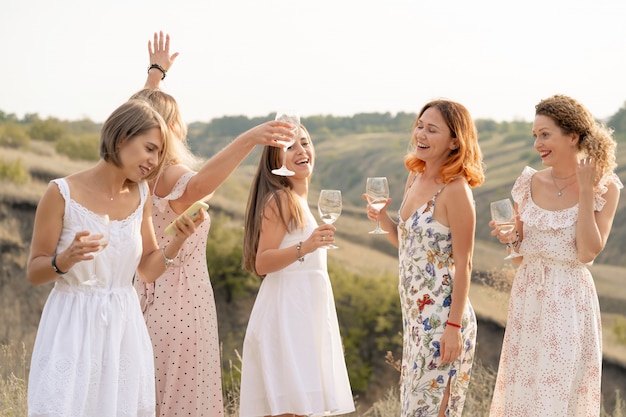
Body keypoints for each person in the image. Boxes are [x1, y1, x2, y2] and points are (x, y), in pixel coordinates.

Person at [131, 31, 293, 417]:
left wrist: (155, 77)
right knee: (182, 399)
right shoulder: (170, 175)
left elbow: (136, 116)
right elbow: (203, 184)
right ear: (170, 128)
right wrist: (250, 138)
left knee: (149, 393)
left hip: (142, 296)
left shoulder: (135, 176)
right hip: (181, 304)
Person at [26, 99, 204, 417]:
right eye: (149, 148)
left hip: (124, 328)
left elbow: (148, 268)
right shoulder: (60, 193)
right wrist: (63, 261)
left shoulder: (141, 196)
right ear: (122, 138)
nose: (154, 161)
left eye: (159, 154)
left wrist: (177, 242)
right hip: (72, 326)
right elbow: (35, 272)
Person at [488, 94, 622, 417]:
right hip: (528, 300)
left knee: (558, 396)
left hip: (570, 302)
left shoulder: (607, 188)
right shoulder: (527, 182)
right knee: (523, 393)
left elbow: (588, 251)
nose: (537, 143)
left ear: (572, 136)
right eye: (535, 135)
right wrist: (511, 239)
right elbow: (520, 254)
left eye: (545, 134)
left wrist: (587, 190)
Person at [365, 99, 484, 417]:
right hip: (416, 320)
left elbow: (465, 263)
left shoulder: (456, 190)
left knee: (433, 412)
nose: (421, 134)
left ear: (454, 141)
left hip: (443, 320)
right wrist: (382, 219)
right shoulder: (414, 176)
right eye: (419, 126)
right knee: (414, 409)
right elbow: (406, 244)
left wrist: (454, 327)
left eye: (432, 129)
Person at [240, 124, 355, 417]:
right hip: (285, 320)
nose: (302, 151)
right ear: (276, 161)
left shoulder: (299, 201)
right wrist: (306, 246)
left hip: (303, 319)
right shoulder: (280, 199)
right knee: (289, 409)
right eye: (290, 147)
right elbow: (261, 263)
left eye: (305, 143)